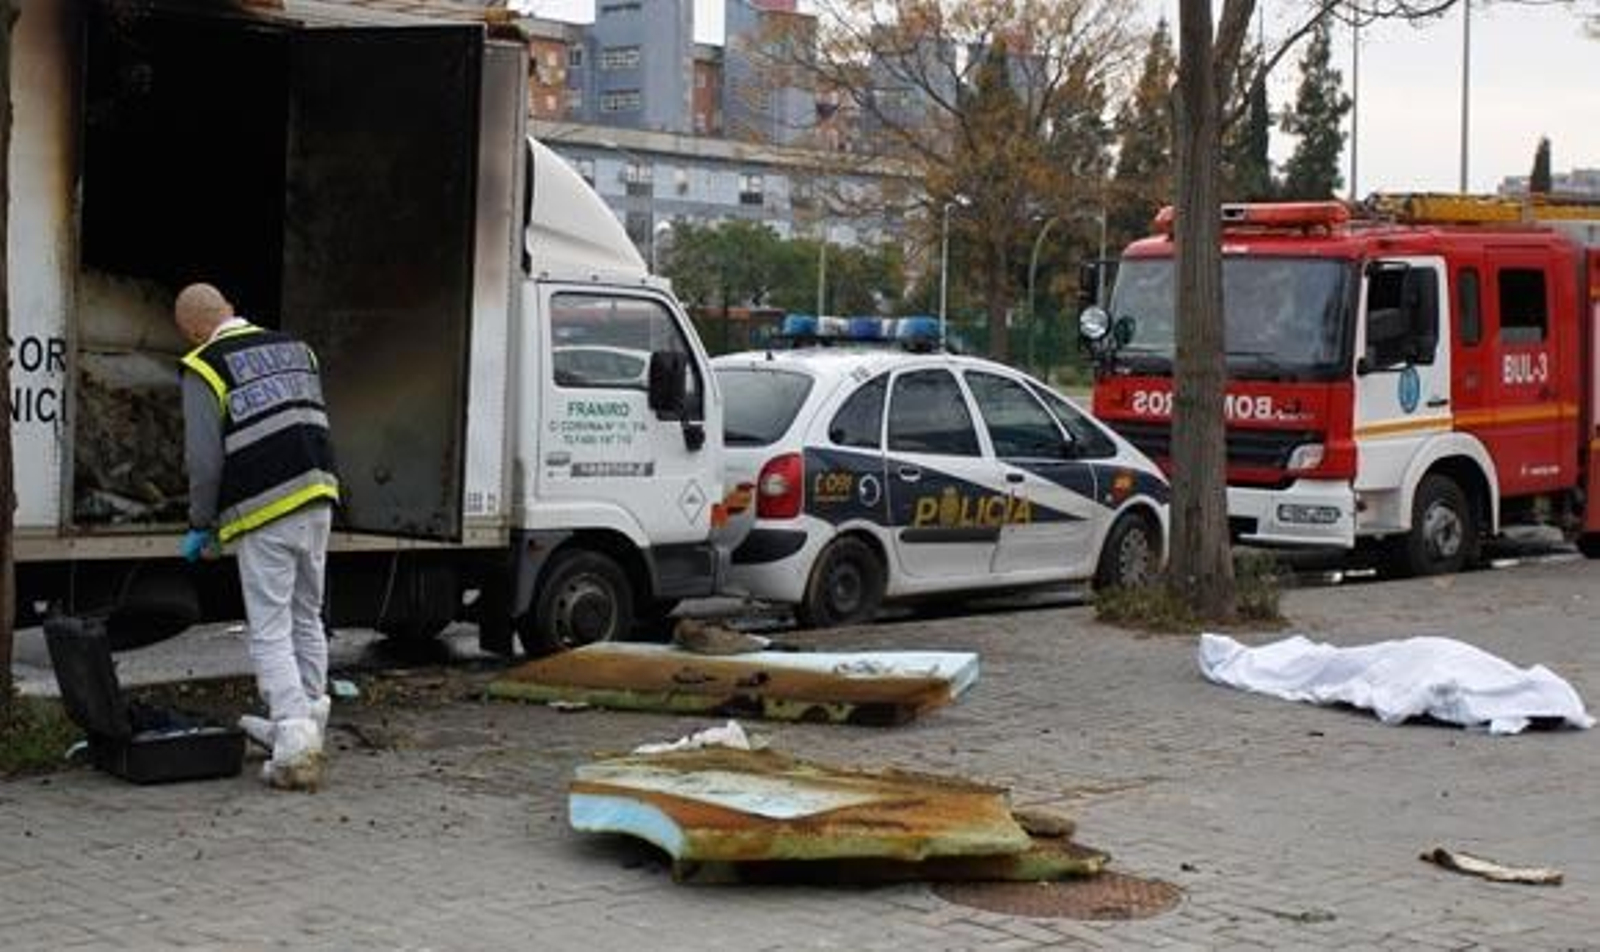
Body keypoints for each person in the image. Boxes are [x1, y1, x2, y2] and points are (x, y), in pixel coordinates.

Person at [174, 283, 341, 791]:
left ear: (194, 328)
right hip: (318, 493)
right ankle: (311, 718)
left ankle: (293, 744)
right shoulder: (296, 348)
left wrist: (201, 522)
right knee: (305, 615)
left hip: (266, 504)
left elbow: (204, 460)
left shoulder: (205, 364)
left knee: (269, 627)